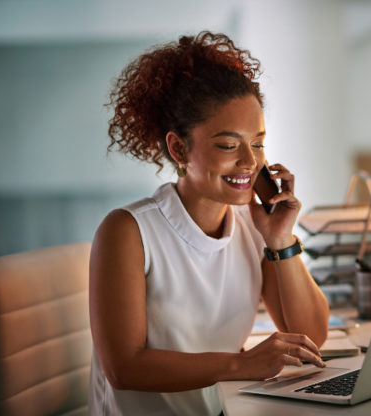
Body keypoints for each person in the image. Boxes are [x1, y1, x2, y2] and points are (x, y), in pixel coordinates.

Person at [88, 31, 330, 416]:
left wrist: (281, 240)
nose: (250, 163)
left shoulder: (253, 226)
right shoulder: (128, 230)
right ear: (180, 149)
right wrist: (241, 365)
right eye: (229, 145)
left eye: (258, 142)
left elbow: (311, 336)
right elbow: (123, 367)